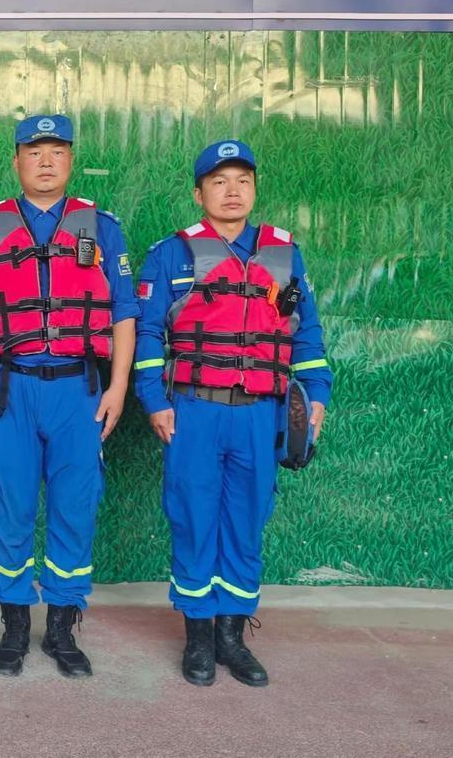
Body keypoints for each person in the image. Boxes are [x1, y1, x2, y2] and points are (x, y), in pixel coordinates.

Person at [134, 139, 332, 687]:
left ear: (255, 189)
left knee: (246, 521)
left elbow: (306, 333)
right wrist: (154, 401)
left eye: (243, 180)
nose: (232, 191)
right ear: (199, 193)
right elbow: (148, 333)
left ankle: (232, 638)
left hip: (260, 414)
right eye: (219, 182)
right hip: (194, 410)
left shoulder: (283, 254)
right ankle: (198, 638)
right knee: (194, 518)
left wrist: (316, 394)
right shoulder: (171, 254)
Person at [0, 114, 138, 678]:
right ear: (17, 161)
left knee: (74, 507)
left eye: (57, 150)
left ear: (71, 159)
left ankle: (60, 627)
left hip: (80, 390)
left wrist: (119, 386)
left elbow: (124, 311)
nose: (46, 160)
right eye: (34, 151)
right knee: (10, 505)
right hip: (10, 388)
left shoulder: (101, 227)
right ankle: (13, 626)